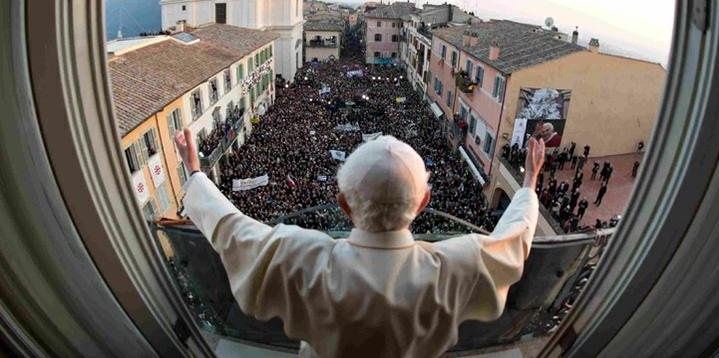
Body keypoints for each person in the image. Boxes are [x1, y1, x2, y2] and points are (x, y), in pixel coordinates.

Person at [176, 129, 546, 358]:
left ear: (343, 204)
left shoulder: (300, 257)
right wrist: (527, 186)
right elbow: (513, 241)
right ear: (424, 202)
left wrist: (196, 174)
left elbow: (230, 228)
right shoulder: (458, 265)